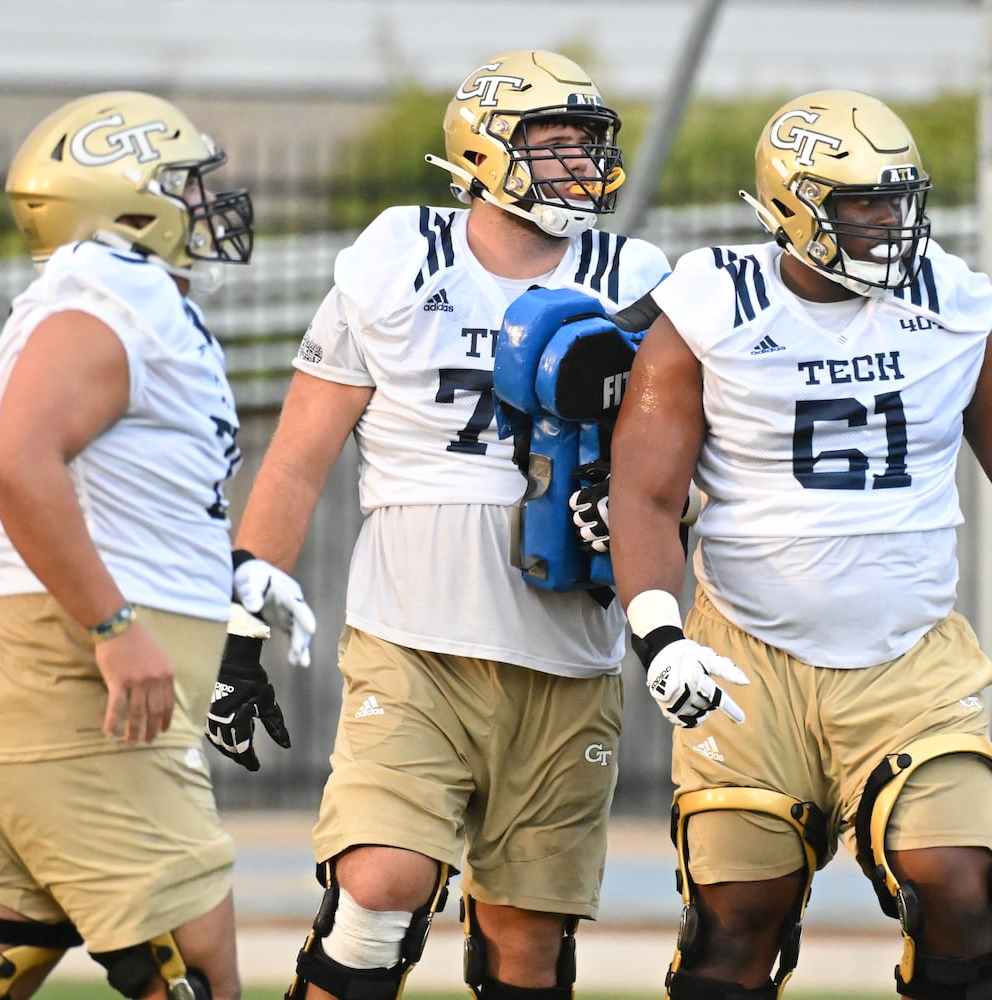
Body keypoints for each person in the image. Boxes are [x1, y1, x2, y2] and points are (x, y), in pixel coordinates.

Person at [606, 88, 992, 1000]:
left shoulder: (951, 301)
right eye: (860, 203)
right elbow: (643, 492)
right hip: (747, 658)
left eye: (897, 198)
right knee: (733, 926)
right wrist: (658, 635)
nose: (888, 223)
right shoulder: (709, 304)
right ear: (792, 207)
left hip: (907, 660)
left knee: (961, 887)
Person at [216, 50, 670, 1000]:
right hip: (413, 642)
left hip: (566, 653)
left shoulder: (633, 277)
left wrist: (625, 514)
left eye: (589, 144)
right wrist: (241, 624)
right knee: (379, 891)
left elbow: (674, 472)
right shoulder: (394, 262)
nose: (582, 165)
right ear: (485, 151)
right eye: (554, 145)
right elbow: (299, 453)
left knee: (528, 943)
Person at [0, 90, 309, 1000]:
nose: (209, 202)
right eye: (185, 183)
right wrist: (113, 626)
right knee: (192, 967)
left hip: (48, 691)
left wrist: (230, 571)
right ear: (129, 207)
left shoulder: (131, 300)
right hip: (79, 691)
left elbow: (141, 492)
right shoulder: (109, 298)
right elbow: (19, 464)